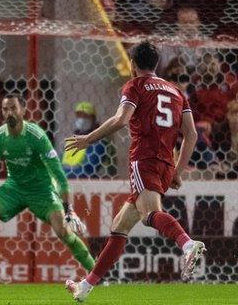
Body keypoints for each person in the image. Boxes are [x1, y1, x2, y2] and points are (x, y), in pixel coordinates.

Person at [64, 41, 204, 302]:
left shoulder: (135, 86)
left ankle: (187, 244)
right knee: (120, 226)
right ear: (156, 64)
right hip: (164, 164)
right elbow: (191, 134)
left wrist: (88, 138)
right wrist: (177, 171)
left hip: (144, 159)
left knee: (150, 213)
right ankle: (85, 287)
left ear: (132, 64)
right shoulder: (176, 91)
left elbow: (121, 119)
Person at [0, 94, 95, 285]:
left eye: (13, 108)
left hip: (42, 191)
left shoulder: (36, 136)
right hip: (14, 188)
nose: (9, 112)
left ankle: (95, 272)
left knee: (64, 232)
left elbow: (57, 173)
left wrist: (67, 205)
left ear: (23, 110)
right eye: (5, 109)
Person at [62, 101, 109, 178]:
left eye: (85, 116)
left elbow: (88, 169)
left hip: (89, 184)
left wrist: (62, 175)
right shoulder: (71, 140)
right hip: (68, 183)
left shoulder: (98, 142)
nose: (82, 119)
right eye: (79, 116)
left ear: (93, 119)